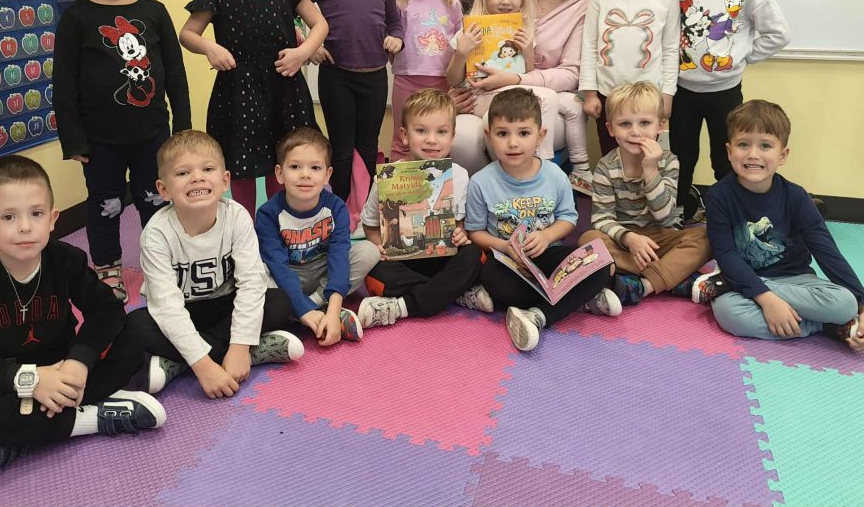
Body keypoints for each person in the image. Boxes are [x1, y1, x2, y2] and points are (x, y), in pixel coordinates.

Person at [0, 156, 163, 481]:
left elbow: (106, 311)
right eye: (8, 217)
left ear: (52, 219)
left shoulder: (65, 260)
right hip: (11, 381)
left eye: (36, 214)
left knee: (131, 340)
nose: (25, 226)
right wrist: (30, 380)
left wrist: (78, 362)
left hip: (65, 367)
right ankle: (90, 417)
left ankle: (21, 437)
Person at [54, 0, 191, 303]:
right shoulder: (76, 19)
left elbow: (175, 73)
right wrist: (73, 139)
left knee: (156, 202)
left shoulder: (154, 12)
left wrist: (182, 129)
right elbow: (63, 84)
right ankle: (108, 269)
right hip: (99, 141)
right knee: (105, 206)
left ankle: (158, 266)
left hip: (153, 134)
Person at [180, 0, 328, 218]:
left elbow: (320, 24)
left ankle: (282, 225)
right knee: (241, 166)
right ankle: (245, 230)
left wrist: (303, 52)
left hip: (283, 87)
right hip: (237, 92)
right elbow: (187, 34)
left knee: (285, 161)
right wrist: (210, 47)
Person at [127, 131, 303, 399]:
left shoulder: (237, 216)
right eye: (183, 173)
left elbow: (251, 283)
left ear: (224, 181)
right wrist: (204, 367)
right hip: (183, 310)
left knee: (278, 300)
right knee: (134, 326)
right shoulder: (156, 234)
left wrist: (239, 346)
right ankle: (250, 352)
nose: (197, 177)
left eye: (207, 169)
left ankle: (178, 363)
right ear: (164, 190)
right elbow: (166, 306)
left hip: (225, 306)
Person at [695, 100, 864, 350]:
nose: (753, 154)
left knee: (845, 304)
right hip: (743, 278)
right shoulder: (719, 196)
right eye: (743, 144)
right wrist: (765, 299)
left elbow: (826, 251)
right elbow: (725, 253)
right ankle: (826, 325)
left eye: (765, 145)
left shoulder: (796, 197)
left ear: (783, 155)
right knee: (731, 315)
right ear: (729, 151)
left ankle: (725, 283)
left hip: (796, 281)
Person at [451, 0, 594, 195]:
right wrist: (454, 90)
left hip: (539, 99)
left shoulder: (585, 0)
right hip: (484, 96)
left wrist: (516, 78)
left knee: (506, 122)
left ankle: (537, 186)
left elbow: (571, 73)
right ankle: (490, 196)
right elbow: (455, 72)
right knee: (461, 137)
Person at [467, 89, 620, 352]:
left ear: (540, 136)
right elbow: (475, 232)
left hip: (549, 255)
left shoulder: (555, 175)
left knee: (601, 263)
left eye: (523, 133)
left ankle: (538, 315)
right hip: (509, 263)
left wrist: (547, 235)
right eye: (502, 134)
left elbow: (568, 218)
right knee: (492, 279)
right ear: (488, 135)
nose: (513, 143)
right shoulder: (480, 182)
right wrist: (503, 246)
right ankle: (576, 300)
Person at [671, 0, 790, 221]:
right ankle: (677, 212)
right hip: (683, 92)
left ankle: (729, 214)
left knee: (725, 158)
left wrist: (742, 57)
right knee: (680, 155)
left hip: (724, 92)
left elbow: (778, 34)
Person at [355, 89, 490, 327]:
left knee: (473, 255)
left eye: (441, 132)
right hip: (403, 262)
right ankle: (452, 293)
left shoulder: (459, 175)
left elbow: (459, 223)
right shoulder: (386, 177)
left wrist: (461, 233)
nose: (431, 140)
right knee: (373, 267)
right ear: (404, 135)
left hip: (442, 257)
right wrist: (378, 245)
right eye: (421, 131)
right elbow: (370, 224)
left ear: (452, 136)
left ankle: (402, 306)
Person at [578, 82, 711, 305]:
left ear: (660, 126)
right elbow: (601, 220)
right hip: (623, 239)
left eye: (645, 123)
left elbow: (666, 217)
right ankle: (671, 275)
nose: (635, 132)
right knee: (588, 240)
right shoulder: (605, 167)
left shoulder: (669, 161)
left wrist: (651, 170)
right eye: (625, 124)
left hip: (661, 237)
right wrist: (629, 238)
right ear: (611, 129)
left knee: (707, 237)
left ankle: (642, 285)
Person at [308, 0, 404, 201]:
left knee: (368, 146)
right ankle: (340, 206)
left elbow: (394, 22)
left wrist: (396, 38)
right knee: (341, 147)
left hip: (374, 77)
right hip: (336, 77)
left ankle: (368, 208)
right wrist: (309, 44)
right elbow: (290, 8)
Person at [255, 128, 379, 344]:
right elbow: (278, 267)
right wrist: (304, 309)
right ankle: (308, 313)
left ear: (327, 175)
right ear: (279, 174)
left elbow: (339, 258)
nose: (305, 174)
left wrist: (333, 311)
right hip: (285, 279)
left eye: (315, 167)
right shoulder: (267, 214)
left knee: (369, 251)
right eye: (295, 167)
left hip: (323, 274)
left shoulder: (336, 208)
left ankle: (313, 312)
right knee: (255, 274)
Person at [580, 0, 680, 155]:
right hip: (607, 93)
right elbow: (589, 45)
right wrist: (590, 93)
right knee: (611, 155)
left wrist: (667, 95)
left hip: (648, 98)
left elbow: (670, 49)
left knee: (646, 154)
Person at [446, 0, 559, 166]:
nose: (506, 1)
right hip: (476, 98)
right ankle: (538, 165)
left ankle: (540, 165)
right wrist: (461, 53)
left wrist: (528, 52)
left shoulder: (523, 31)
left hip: (510, 98)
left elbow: (528, 77)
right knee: (547, 98)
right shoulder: (469, 30)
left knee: (547, 98)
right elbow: (452, 80)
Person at [389, 0, 464, 160]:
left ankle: (439, 184)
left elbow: (460, 46)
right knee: (403, 138)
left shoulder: (452, 3)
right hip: (407, 79)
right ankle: (397, 183)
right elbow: (392, 44)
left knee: (439, 139)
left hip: (442, 82)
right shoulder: (398, 2)